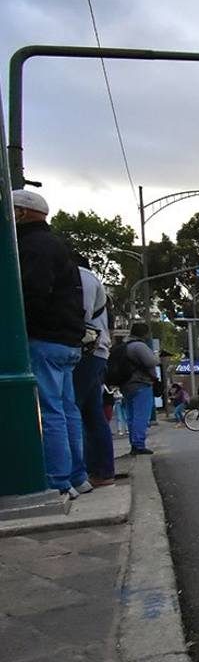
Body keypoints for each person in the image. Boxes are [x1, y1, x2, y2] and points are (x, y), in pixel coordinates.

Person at [13, 189, 90, 498]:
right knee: (67, 409)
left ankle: (58, 480)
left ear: (20, 213)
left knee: (49, 412)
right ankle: (77, 476)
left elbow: (32, 293)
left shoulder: (31, 247)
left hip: (44, 338)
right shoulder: (57, 246)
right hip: (67, 340)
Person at [72, 255, 116, 487]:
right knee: (91, 413)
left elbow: (82, 315)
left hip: (88, 353)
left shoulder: (84, 277)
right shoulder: (88, 279)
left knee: (72, 410)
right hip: (93, 353)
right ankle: (100, 472)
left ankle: (79, 473)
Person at [121, 322, 159, 455]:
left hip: (126, 384)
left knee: (131, 416)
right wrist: (156, 356)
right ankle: (139, 444)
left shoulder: (124, 346)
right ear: (145, 333)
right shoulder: (139, 346)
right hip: (141, 383)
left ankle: (134, 443)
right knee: (141, 416)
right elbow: (151, 362)